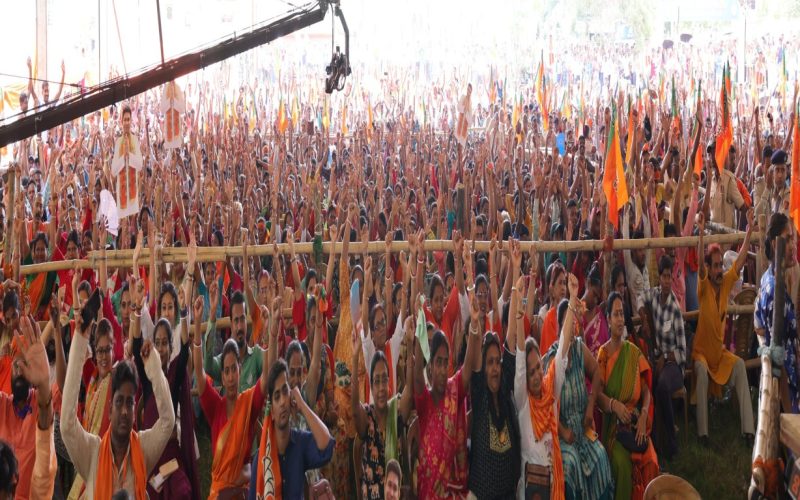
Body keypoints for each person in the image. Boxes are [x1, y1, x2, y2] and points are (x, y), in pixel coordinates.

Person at [61, 311, 175, 498]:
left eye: (130, 403)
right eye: (119, 402)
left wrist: (153, 366)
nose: (124, 411)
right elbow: (66, 425)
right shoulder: (92, 454)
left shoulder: (143, 449)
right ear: (109, 410)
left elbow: (168, 422)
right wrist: (80, 341)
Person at [250, 306, 335, 499]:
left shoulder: (299, 442)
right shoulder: (261, 459)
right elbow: (272, 372)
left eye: (299, 372)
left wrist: (301, 404)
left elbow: (327, 446)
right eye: (277, 396)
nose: (282, 401)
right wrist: (272, 333)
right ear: (270, 407)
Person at [129, 275, 200, 499]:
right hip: (151, 457)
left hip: (171, 455)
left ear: (171, 346)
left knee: (183, 491)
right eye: (157, 343)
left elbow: (186, 345)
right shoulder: (148, 378)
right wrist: (137, 308)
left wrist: (184, 313)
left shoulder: (175, 374)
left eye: (164, 343)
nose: (160, 348)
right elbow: (136, 344)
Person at [194, 296, 269, 499]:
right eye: (225, 371)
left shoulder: (248, 402)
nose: (230, 377)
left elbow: (267, 375)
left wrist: (272, 328)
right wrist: (201, 325)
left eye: (233, 370)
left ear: (239, 368)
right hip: (219, 493)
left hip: (244, 489)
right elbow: (200, 375)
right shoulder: (215, 407)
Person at [513, 271, 579, 500]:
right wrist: (520, 317)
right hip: (529, 492)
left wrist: (571, 301)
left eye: (538, 368)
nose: (535, 374)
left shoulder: (550, 391)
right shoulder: (523, 401)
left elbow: (561, 351)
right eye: (531, 371)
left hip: (552, 489)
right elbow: (520, 361)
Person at [693, 210, 755, 445]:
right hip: (701, 356)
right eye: (716, 266)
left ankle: (748, 432)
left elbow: (739, 261)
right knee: (699, 371)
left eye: (720, 266)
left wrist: (748, 231)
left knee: (739, 365)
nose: (719, 270)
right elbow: (699, 265)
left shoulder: (726, 283)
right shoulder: (703, 287)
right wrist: (700, 236)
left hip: (719, 356)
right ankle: (703, 434)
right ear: (709, 268)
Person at [411, 280, 479, 498]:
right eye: (437, 363)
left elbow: (468, 367)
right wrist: (420, 328)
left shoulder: (454, 390)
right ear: (430, 367)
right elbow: (416, 379)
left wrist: (475, 325)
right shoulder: (425, 401)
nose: (441, 369)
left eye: (444, 362)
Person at [543, 298, 614, 499]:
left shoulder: (579, 348)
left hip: (582, 430)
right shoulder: (551, 360)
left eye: (574, 321)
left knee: (600, 456)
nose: (572, 327)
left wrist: (591, 405)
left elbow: (598, 372)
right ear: (560, 327)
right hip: (562, 436)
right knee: (570, 465)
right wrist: (563, 431)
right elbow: (545, 406)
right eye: (567, 322)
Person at [466, 243, 520, 499]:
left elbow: (508, 338)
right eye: (490, 363)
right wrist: (475, 324)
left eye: (497, 362)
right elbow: (474, 358)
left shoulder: (505, 387)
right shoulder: (480, 393)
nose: (495, 368)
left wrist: (516, 267)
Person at [598, 292, 659, 500]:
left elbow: (646, 390)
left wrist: (643, 415)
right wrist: (614, 405)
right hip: (615, 428)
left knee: (651, 459)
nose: (620, 319)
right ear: (607, 319)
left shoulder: (632, 351)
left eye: (622, 314)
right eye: (615, 314)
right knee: (623, 465)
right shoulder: (603, 355)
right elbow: (597, 395)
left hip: (635, 425)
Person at [352, 314, 414, 500]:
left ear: (389, 383)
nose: (380, 388)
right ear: (371, 385)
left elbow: (410, 390)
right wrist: (355, 359)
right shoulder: (367, 417)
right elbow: (354, 406)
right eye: (376, 381)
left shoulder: (395, 411)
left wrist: (410, 344)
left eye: (383, 380)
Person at [0, 315, 57, 499]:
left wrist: (45, 383)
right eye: (16, 366)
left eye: (25, 365)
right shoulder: (3, 405)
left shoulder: (39, 402)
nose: (20, 371)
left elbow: (43, 465)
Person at [640, 255, 687, 460]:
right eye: (664, 276)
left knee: (661, 386)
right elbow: (641, 298)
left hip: (675, 366)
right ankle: (659, 438)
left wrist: (666, 358)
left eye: (670, 276)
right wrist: (644, 318)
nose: (667, 281)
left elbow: (682, 351)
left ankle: (671, 441)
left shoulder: (675, 309)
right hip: (660, 360)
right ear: (659, 278)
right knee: (651, 384)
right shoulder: (656, 295)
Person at [67, 317, 117, 499]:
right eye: (100, 351)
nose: (104, 356)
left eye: (107, 350)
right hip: (88, 458)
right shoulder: (93, 381)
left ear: (114, 348)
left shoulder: (117, 381)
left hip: (106, 466)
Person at [755, 212, 799, 413]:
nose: (794, 244)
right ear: (775, 244)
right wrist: (789, 414)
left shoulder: (769, 278)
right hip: (787, 388)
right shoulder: (774, 290)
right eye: (788, 238)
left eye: (794, 237)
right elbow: (777, 357)